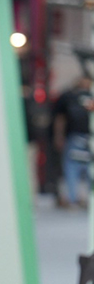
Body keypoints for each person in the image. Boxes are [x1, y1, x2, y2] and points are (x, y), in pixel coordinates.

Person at [52, 75, 94, 208]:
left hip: (87, 136)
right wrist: (59, 136)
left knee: (87, 169)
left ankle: (85, 199)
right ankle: (73, 198)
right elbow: (60, 118)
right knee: (72, 168)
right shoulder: (68, 97)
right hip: (74, 136)